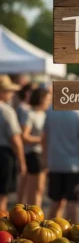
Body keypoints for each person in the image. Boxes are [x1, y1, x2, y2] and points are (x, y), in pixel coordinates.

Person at [42, 109, 79, 222]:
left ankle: (50, 233)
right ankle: (69, 235)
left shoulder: (51, 111)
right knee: (72, 204)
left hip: (55, 164)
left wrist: (46, 160)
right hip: (74, 166)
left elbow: (45, 138)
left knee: (56, 202)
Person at [0, 75, 26, 211]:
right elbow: (15, 139)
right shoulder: (6, 111)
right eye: (9, 91)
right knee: (2, 196)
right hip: (4, 155)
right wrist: (22, 161)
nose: (11, 94)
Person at [22, 88, 51, 206]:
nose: (49, 102)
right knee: (35, 190)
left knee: (40, 189)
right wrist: (41, 140)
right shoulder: (30, 115)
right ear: (41, 99)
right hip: (33, 154)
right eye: (47, 99)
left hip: (42, 154)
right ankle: (33, 217)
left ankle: (35, 214)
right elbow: (24, 136)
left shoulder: (45, 114)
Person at [15, 82, 36, 203]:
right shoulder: (23, 108)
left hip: (26, 147)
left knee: (25, 181)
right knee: (24, 180)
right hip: (25, 148)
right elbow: (22, 132)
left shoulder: (26, 107)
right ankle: (20, 204)